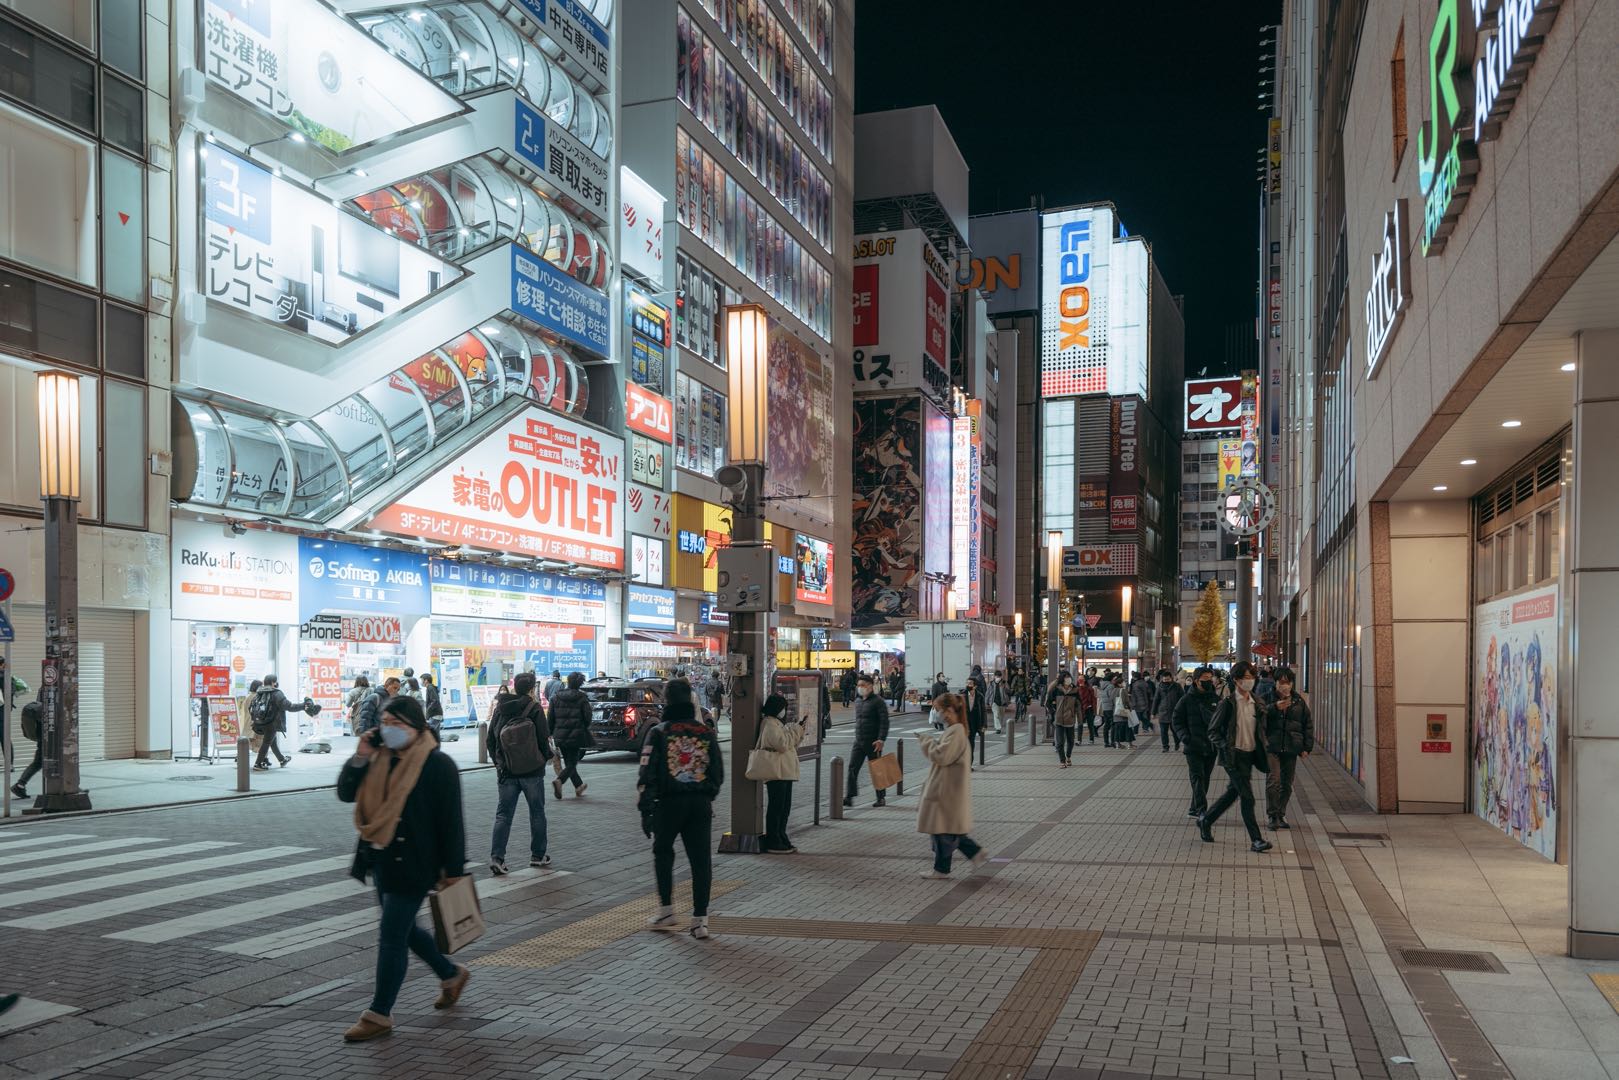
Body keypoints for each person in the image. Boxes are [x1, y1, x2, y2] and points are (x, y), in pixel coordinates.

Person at [337, 695, 469, 1042]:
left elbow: (451, 822)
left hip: (416, 863)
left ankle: (379, 1013)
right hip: (379, 858)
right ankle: (450, 973)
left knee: (392, 936)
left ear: (417, 727)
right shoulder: (378, 757)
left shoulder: (437, 764)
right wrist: (360, 757)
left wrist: (453, 869)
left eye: (398, 724)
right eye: (385, 722)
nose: (389, 730)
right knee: (406, 930)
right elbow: (346, 794)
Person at [640, 678, 723, 939]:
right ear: (690, 699)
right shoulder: (705, 732)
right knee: (701, 861)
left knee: (663, 852)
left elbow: (647, 773)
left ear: (667, 700)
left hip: (668, 803)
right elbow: (718, 772)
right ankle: (700, 920)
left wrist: (646, 809)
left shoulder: (660, 732)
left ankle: (666, 909)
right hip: (700, 804)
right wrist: (706, 793)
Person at [1197, 661, 1272, 853]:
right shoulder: (1228, 703)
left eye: (1252, 677)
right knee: (1248, 797)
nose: (1250, 681)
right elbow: (1213, 731)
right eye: (1246, 678)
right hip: (1233, 756)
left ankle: (1206, 820)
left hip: (1250, 755)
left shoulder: (1258, 703)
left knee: (1233, 793)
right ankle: (1256, 840)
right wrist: (1225, 746)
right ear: (1237, 680)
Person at [485, 672, 552, 874]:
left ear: (515, 688)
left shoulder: (501, 708)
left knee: (503, 815)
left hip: (507, 772)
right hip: (532, 771)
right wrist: (544, 758)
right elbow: (543, 738)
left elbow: (491, 739)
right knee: (537, 812)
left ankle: (497, 857)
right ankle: (538, 856)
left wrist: (499, 764)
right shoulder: (534, 708)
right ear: (532, 689)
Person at [916, 694, 988, 878]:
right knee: (949, 830)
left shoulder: (956, 732)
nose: (937, 713)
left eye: (938, 709)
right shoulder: (957, 730)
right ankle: (975, 854)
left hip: (945, 790)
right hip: (947, 789)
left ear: (948, 711)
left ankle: (942, 869)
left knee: (942, 830)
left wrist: (926, 741)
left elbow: (942, 756)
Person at [754, 693, 806, 852]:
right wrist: (796, 729)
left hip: (784, 771)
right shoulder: (769, 724)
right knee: (777, 807)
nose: (785, 711)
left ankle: (781, 836)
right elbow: (782, 744)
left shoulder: (776, 723)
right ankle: (773, 840)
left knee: (784, 807)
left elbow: (788, 742)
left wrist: (796, 730)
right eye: (783, 707)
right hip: (776, 772)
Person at [1263, 666, 1313, 829]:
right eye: (1282, 682)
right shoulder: (1267, 699)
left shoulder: (1299, 701)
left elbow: (1307, 725)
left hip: (1291, 747)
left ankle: (1280, 813)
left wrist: (1307, 747)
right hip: (1272, 747)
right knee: (1273, 781)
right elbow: (1257, 715)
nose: (1285, 685)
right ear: (1275, 683)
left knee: (1287, 784)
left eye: (1288, 682)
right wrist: (1274, 707)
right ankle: (1272, 815)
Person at [1175, 667, 1221, 819]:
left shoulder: (1215, 699)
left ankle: (1194, 808)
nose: (1209, 681)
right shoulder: (1186, 700)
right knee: (1197, 778)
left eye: (1210, 678)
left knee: (1205, 778)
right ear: (1196, 681)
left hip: (1211, 746)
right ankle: (1202, 810)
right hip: (1193, 747)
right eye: (1205, 679)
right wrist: (1186, 738)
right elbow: (1177, 721)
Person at [845, 673, 891, 807]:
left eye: (863, 685)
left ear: (870, 686)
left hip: (873, 742)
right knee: (852, 768)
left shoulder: (878, 701)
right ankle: (849, 796)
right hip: (859, 741)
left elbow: (884, 722)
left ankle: (881, 797)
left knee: (877, 770)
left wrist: (881, 739)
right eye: (858, 685)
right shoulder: (858, 701)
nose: (860, 688)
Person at [547, 671, 595, 799]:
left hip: (560, 734)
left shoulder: (556, 697)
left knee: (569, 761)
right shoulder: (582, 697)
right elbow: (587, 717)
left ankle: (579, 786)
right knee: (572, 763)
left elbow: (550, 717)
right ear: (580, 684)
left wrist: (550, 732)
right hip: (576, 734)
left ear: (568, 681)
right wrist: (583, 726)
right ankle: (559, 781)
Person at [250, 675, 306, 770]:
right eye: (275, 682)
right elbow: (289, 706)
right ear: (273, 682)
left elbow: (251, 708)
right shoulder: (276, 693)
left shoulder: (259, 692)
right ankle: (258, 764)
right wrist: (303, 706)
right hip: (272, 723)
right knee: (267, 742)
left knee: (272, 742)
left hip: (260, 722)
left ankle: (282, 759)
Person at [1049, 672, 1082, 767]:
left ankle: (1068, 756)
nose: (1068, 679)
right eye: (1066, 677)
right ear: (1062, 679)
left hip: (1070, 720)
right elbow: (1048, 703)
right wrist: (1053, 713)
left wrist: (1079, 719)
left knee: (1071, 741)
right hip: (1059, 719)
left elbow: (1079, 706)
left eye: (1069, 677)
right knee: (1059, 742)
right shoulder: (1056, 690)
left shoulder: (1075, 691)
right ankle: (1062, 761)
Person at [1154, 669, 1184, 752]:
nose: (1166, 681)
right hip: (1163, 712)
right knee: (1163, 732)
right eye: (1164, 679)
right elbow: (1156, 699)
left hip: (1174, 712)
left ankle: (1177, 743)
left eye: (1167, 679)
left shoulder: (1177, 686)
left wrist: (1182, 709)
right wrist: (1153, 712)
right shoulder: (1159, 687)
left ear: (1171, 678)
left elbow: (1183, 698)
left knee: (1175, 731)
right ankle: (1165, 747)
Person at [962, 674, 986, 766]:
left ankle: (968, 764)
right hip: (963, 723)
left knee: (971, 744)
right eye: (967, 683)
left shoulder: (980, 696)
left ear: (975, 686)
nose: (968, 685)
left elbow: (983, 711)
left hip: (974, 724)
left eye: (970, 683)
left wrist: (984, 725)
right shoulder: (962, 695)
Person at [1096, 672, 1120, 748]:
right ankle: (1113, 742)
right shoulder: (1110, 686)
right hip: (1110, 707)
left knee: (1106, 725)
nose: (1115, 680)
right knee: (1113, 725)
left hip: (1105, 707)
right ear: (1111, 678)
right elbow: (1112, 697)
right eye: (1114, 678)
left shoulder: (1103, 685)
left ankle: (1106, 742)